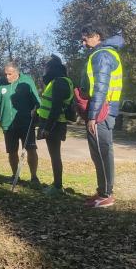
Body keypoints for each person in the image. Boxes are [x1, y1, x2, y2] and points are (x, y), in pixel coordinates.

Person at [79, 22, 124, 208]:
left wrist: (92, 116)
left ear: (97, 36)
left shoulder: (102, 55)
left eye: (85, 39)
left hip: (102, 112)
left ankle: (106, 195)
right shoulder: (106, 53)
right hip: (105, 110)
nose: (83, 43)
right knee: (99, 152)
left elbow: (100, 87)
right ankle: (102, 190)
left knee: (102, 151)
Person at [0, 61, 41, 186]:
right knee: (12, 151)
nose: (7, 77)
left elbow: (37, 101)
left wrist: (37, 112)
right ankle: (15, 176)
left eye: (10, 74)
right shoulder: (0, 84)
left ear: (17, 72)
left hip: (25, 123)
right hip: (8, 124)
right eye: (6, 74)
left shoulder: (27, 81)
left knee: (31, 149)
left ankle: (34, 177)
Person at [36, 55, 74, 196]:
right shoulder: (57, 81)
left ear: (53, 68)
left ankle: (58, 186)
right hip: (51, 122)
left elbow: (56, 107)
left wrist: (47, 128)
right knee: (54, 154)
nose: (45, 71)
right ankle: (56, 184)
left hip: (55, 124)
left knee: (55, 155)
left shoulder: (60, 83)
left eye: (47, 68)